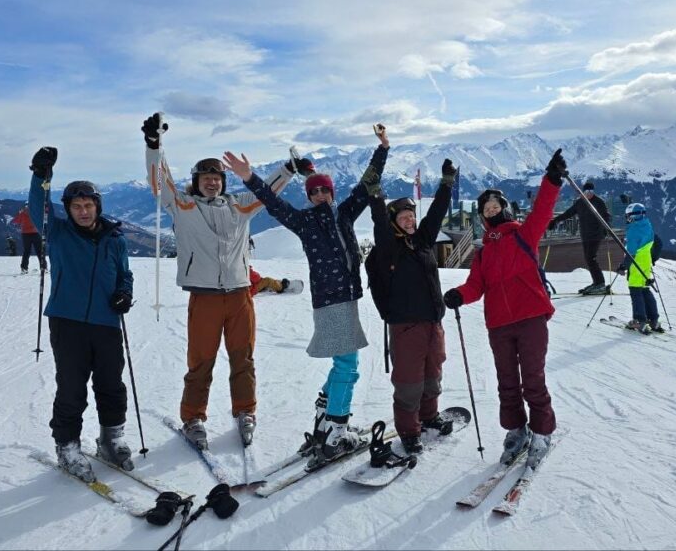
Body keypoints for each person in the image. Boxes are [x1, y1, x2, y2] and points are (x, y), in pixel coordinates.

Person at [222, 125, 389, 463]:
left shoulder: (345, 213)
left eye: (324, 191)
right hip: (331, 300)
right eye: (314, 193)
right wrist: (250, 178)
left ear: (332, 192)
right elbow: (272, 203)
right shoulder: (304, 222)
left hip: (347, 298)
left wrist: (383, 149)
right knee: (348, 365)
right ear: (309, 197)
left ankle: (325, 416)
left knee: (343, 362)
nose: (320, 196)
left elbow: (367, 181)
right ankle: (335, 432)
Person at [142, 113, 294, 449]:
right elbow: (159, 182)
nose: (213, 182)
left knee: (244, 358)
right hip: (205, 297)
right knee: (201, 362)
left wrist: (288, 170)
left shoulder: (239, 205)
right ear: (196, 181)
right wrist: (154, 145)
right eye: (206, 178)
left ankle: (246, 411)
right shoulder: (181, 205)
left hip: (240, 295)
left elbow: (266, 193)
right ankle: (193, 417)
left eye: (218, 178)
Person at [443, 149, 566, 469]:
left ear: (505, 209)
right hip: (499, 324)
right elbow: (475, 286)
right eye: (487, 208)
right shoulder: (483, 254)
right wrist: (458, 294)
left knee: (533, 379)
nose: (492, 210)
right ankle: (516, 431)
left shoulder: (525, 235)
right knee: (507, 381)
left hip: (530, 318)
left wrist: (551, 181)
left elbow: (542, 210)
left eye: (496, 206)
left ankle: (541, 433)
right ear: (483, 217)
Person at [27, 146, 134, 483]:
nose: (84, 211)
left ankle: (111, 437)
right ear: (68, 209)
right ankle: (67, 446)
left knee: (111, 384)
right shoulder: (57, 232)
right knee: (72, 387)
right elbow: (36, 207)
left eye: (89, 206)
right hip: (68, 322)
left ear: (97, 207)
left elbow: (124, 275)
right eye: (77, 206)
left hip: (106, 323)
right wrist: (41, 176)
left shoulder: (114, 239)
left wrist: (124, 293)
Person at [367, 158, 457, 454]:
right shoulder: (387, 249)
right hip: (406, 326)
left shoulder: (422, 241)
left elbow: (436, 214)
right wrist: (376, 194)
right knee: (409, 382)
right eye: (403, 217)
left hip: (433, 322)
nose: (409, 221)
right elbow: (379, 221)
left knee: (433, 374)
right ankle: (408, 429)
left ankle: (428, 416)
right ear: (394, 220)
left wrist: (446, 184)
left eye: (411, 216)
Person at [548, 181, 610, 294]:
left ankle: (600, 283)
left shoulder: (599, 202)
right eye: (586, 191)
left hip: (595, 235)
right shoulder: (580, 202)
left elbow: (606, 216)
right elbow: (568, 213)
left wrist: (606, 228)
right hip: (585, 235)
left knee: (591, 258)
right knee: (588, 258)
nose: (589, 193)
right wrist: (555, 220)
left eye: (591, 191)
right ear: (583, 192)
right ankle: (597, 282)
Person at [615, 203, 662, 334]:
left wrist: (623, 266)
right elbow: (655, 243)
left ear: (634, 216)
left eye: (628, 216)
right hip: (646, 261)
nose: (627, 218)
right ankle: (654, 320)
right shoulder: (647, 225)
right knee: (645, 289)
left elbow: (631, 253)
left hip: (636, 263)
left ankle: (639, 320)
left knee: (635, 291)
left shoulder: (633, 230)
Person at [11, 203, 47, 274]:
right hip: (36, 233)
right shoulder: (35, 212)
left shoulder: (23, 213)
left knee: (26, 252)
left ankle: (24, 268)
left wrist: (19, 213)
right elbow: (43, 220)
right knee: (40, 251)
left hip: (25, 234)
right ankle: (43, 268)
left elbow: (15, 221)